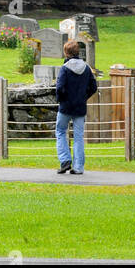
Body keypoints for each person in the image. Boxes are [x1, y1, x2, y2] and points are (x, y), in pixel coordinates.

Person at [55, 39, 97, 175]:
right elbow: (93, 87)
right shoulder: (86, 67)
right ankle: (78, 167)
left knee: (61, 131)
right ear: (77, 51)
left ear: (66, 52)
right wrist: (84, 97)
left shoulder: (65, 68)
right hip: (80, 106)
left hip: (66, 106)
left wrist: (60, 100)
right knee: (78, 136)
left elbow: (60, 87)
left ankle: (65, 160)